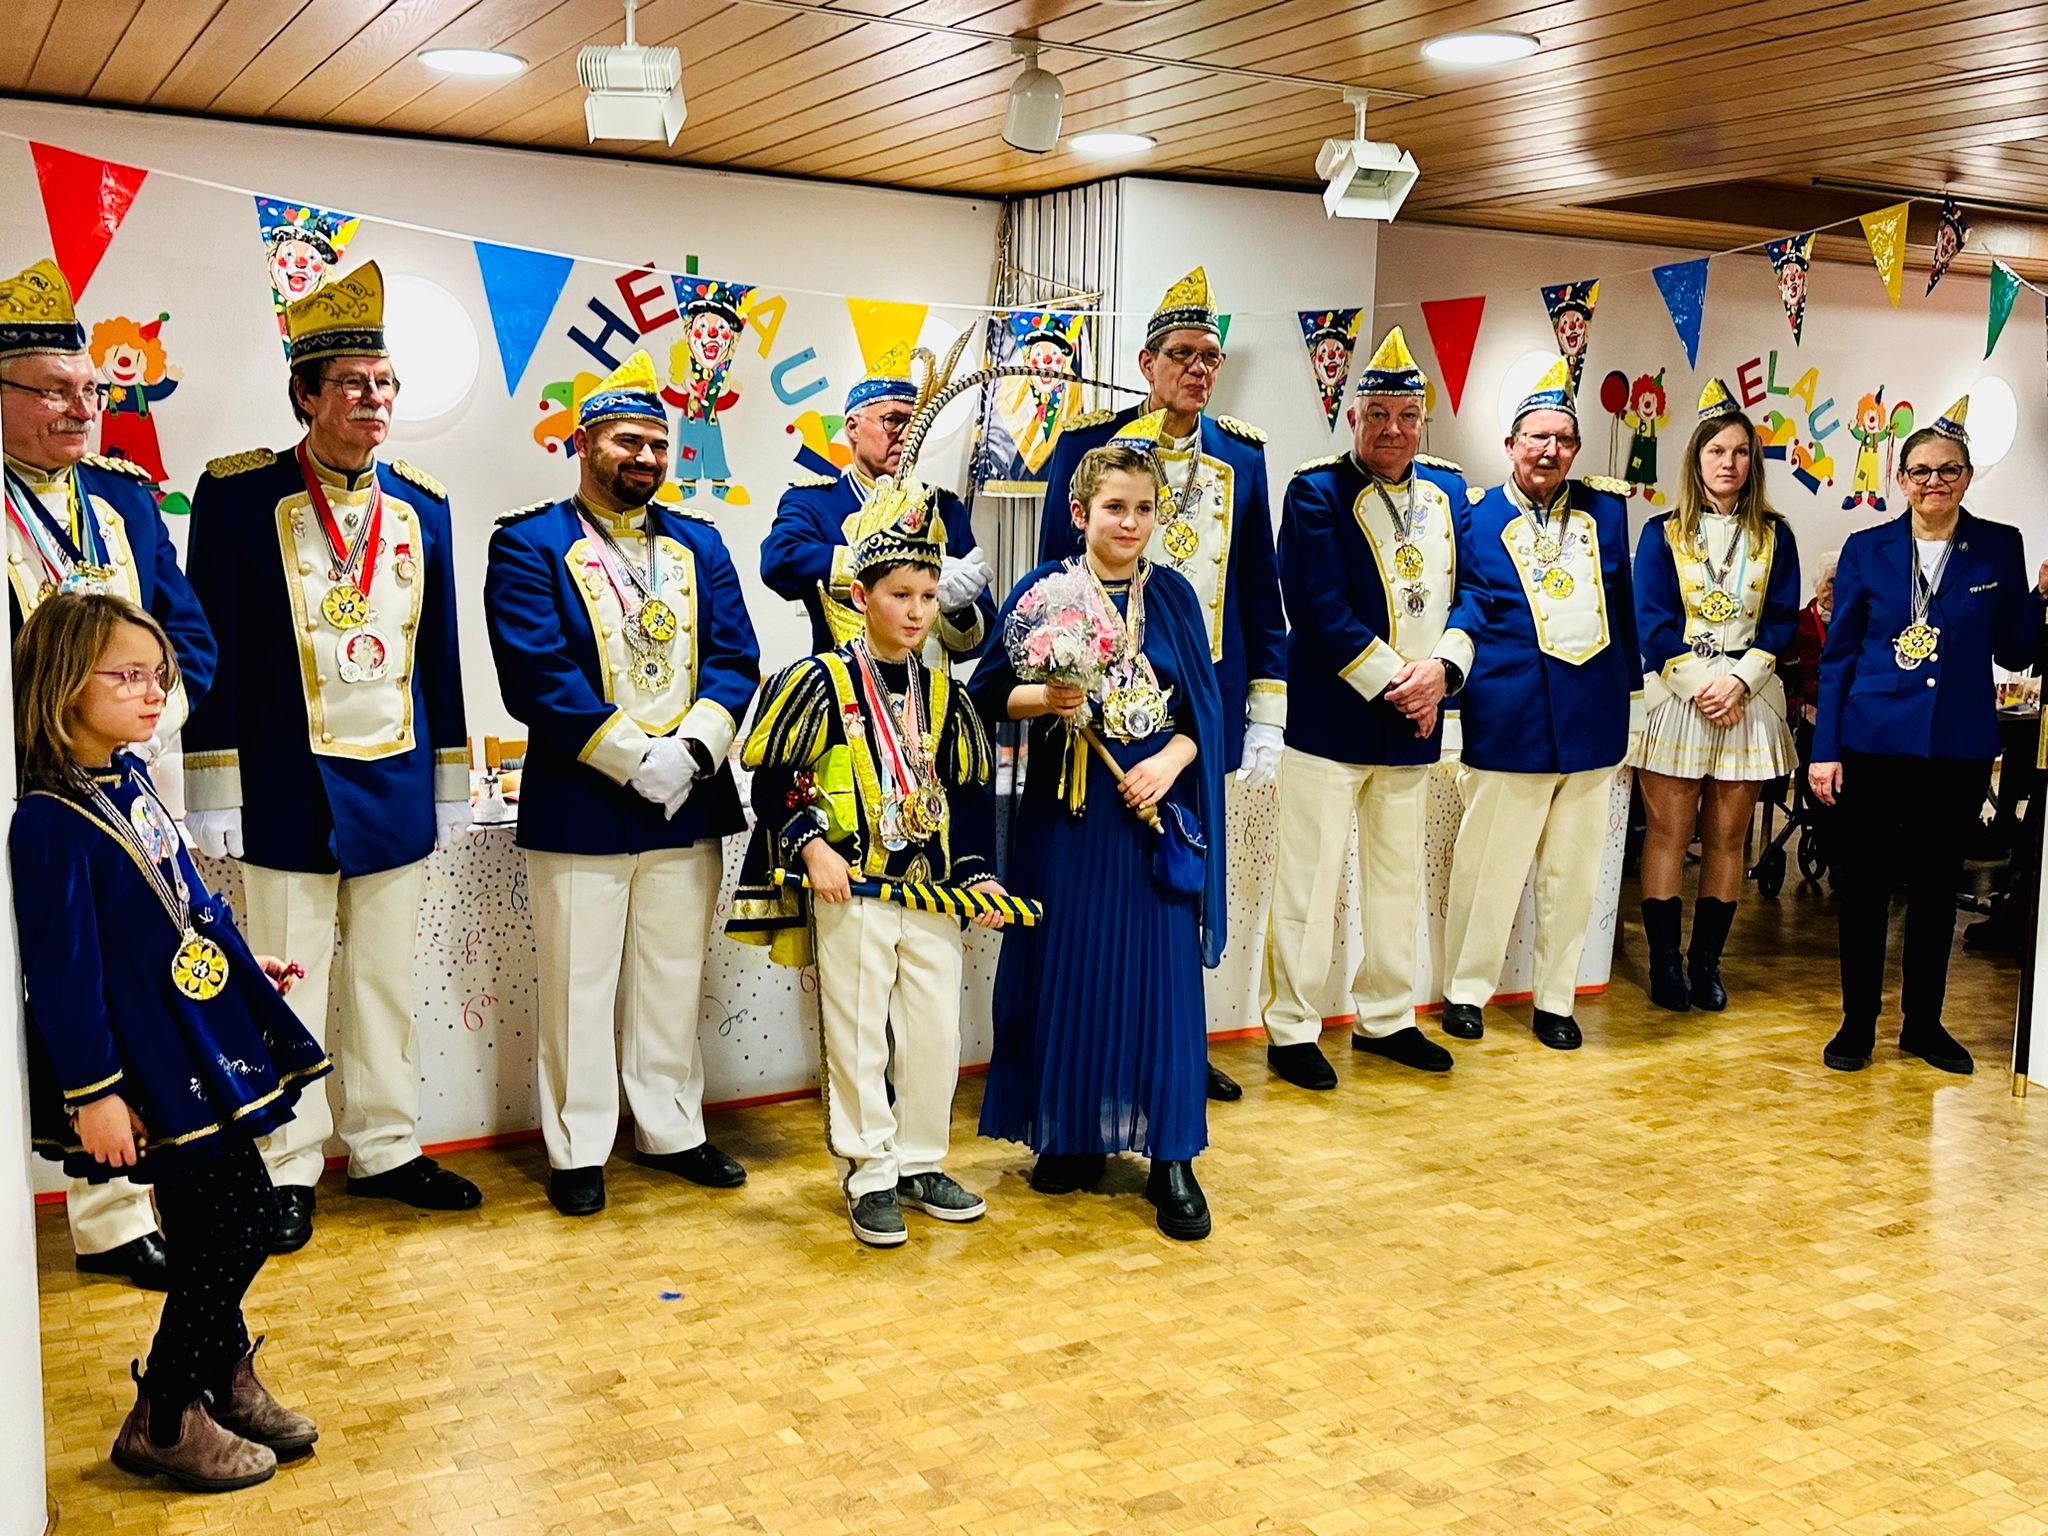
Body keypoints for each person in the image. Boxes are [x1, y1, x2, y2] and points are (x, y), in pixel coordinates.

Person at [182, 261, 481, 1252]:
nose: (373, 400)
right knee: (288, 979)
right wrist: (213, 778)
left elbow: (439, 651)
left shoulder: (425, 505)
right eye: (351, 383)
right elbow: (210, 646)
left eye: (384, 383)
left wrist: (449, 775)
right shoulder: (237, 495)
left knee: (387, 981)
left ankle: (387, 1146)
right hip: (284, 780)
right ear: (305, 396)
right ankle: (287, 1161)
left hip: (394, 776)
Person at [12, 593, 328, 1492]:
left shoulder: (130, 778)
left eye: (160, 676)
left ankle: (220, 1378)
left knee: (206, 1225)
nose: (154, 693)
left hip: (192, 1031)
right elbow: (63, 974)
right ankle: (165, 1411)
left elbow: (187, 900)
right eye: (128, 677)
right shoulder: (48, 820)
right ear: (63, 685)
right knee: (243, 1220)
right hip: (143, 1057)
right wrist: (95, 1092)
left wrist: (242, 964)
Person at [485, 352, 762, 1217]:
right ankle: (576, 1148)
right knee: (578, 984)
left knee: (673, 976)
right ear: (583, 444)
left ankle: (672, 1130)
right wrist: (637, 759)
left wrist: (692, 752)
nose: (644, 457)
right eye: (625, 441)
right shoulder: (527, 542)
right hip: (584, 798)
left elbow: (736, 657)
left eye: (656, 443)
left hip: (691, 793)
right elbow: (535, 673)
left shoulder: (701, 543)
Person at [2, 257, 219, 1289]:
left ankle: (120, 1211)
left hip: (130, 787)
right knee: (48, 986)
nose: (82, 409)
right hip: (23, 795)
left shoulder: (125, 499)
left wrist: (149, 718)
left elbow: (189, 634)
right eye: (54, 390)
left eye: (90, 390)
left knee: (126, 980)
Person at [732, 464, 1007, 1247]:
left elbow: (969, 797)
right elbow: (775, 780)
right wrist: (810, 843)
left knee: (935, 1032)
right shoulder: (816, 682)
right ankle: (869, 1168)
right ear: (859, 596)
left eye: (928, 596)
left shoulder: (948, 696)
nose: (917, 612)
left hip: (933, 892)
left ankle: (920, 1158)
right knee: (857, 1031)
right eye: (900, 595)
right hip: (850, 887)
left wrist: (980, 875)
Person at [1037, 267, 1287, 1103]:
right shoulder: (1091, 446)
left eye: (1210, 356)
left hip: (1198, 713)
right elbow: (1053, 578)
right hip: (1105, 713)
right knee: (1106, 892)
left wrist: (1264, 713)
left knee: (1185, 878)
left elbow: (1260, 590)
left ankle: (1179, 1043)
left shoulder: (1242, 456)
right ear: (1146, 362)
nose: (1198, 369)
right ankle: (1105, 1052)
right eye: (1182, 354)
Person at [975, 415, 1228, 1240]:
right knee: (1069, 973)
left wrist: (1171, 762)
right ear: (1080, 512)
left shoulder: (1176, 597)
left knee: (1161, 988)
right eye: (1115, 506)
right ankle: (1073, 1132)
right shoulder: (1043, 594)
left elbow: (1205, 716)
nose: (1131, 522)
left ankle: (1173, 1156)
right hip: (1067, 822)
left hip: (1149, 816)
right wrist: (1045, 698)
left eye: (1144, 508)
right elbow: (985, 695)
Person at [1260, 328, 1472, 1089]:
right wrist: (1403, 684)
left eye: (1407, 416)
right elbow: (1317, 609)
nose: (1393, 429)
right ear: (1353, 418)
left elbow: (1477, 593)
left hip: (1417, 725)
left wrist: (1442, 672)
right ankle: (1291, 1028)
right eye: (1377, 414)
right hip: (1331, 722)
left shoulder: (1450, 492)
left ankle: (1386, 1018)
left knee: (1397, 882)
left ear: (1424, 422)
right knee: (1309, 883)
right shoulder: (1314, 491)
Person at [1810, 398, 2048, 1075]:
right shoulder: (1866, 550)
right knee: (1866, 888)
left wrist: (2040, 601)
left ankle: (1923, 1024)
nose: (1934, 482)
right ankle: (1857, 1022)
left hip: (1956, 745)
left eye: (1948, 470)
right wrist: (1825, 750)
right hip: (1873, 742)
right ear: (1902, 479)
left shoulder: (1998, 545)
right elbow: (1838, 657)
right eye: (1921, 471)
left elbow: (2014, 649)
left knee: (1938, 889)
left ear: (1967, 477)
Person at [1439, 357, 1641, 1051]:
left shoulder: (1606, 510)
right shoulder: (1474, 515)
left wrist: (1634, 702)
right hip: (1510, 716)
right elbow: (1464, 609)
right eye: (1537, 438)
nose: (1550, 451)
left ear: (1576, 449)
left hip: (1592, 719)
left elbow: (1623, 609)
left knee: (1573, 874)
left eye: (1563, 439)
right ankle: (1466, 992)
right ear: (1511, 445)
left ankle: (1557, 999)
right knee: (1488, 870)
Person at [1630, 380, 1800, 1013]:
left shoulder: (1776, 535)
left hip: (1746, 700)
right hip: (1678, 698)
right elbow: (1651, 621)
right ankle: (1665, 965)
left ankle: (1707, 965)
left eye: (1740, 451)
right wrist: (1704, 685)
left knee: (1728, 839)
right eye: (1716, 451)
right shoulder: (1661, 532)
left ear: (1753, 461)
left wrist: (1738, 682)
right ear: (1696, 458)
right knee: (1668, 836)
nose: (1729, 463)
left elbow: (1781, 621)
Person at [761, 370, 995, 657]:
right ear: (853, 428)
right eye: (892, 420)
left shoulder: (943, 509)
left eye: (915, 424)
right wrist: (882, 564)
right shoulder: (815, 502)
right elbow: (779, 561)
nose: (907, 435)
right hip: (843, 681)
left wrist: (958, 610)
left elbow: (981, 642)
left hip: (927, 684)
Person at [1784, 550, 1836, 724]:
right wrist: (1801, 708)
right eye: (1831, 582)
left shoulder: (1860, 625)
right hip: (1808, 719)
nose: (1837, 590)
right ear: (1817, 584)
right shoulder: (1795, 625)